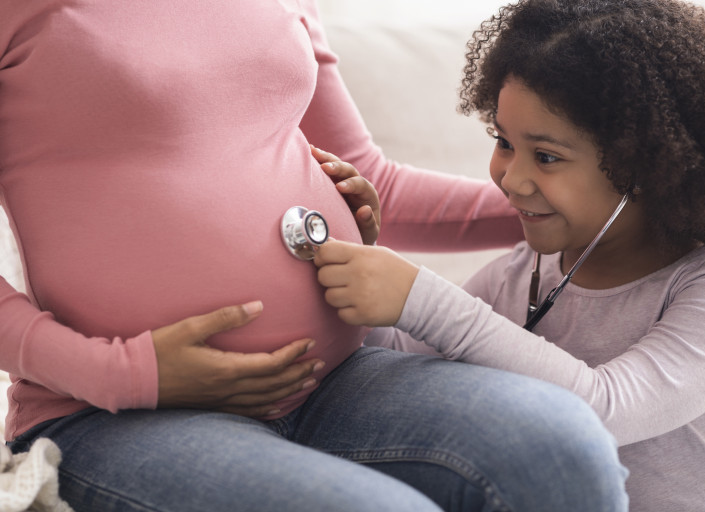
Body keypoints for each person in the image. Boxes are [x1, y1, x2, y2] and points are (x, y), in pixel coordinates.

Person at [0, 1, 629, 511]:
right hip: (116, 414)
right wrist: (123, 374)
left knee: (564, 446)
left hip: (341, 374)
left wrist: (594, 206)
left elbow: (376, 180)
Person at [313, 1, 705, 510]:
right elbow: (398, 357)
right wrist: (359, 263)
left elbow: (604, 410)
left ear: (650, 166)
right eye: (503, 141)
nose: (511, 178)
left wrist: (419, 297)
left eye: (546, 156)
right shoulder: (518, 275)